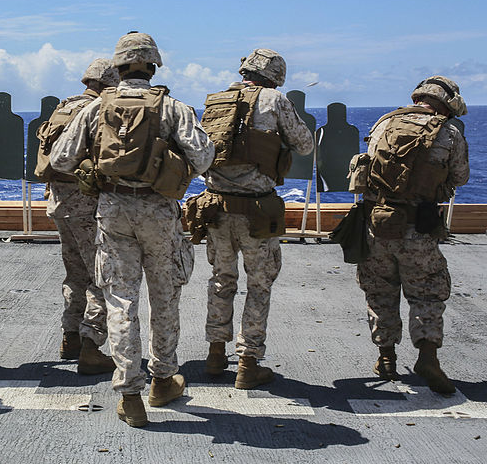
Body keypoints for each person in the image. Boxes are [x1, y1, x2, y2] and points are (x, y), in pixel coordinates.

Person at [51, 32, 214, 427]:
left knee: (121, 301)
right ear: (153, 65)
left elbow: (60, 159)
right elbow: (205, 157)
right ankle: (162, 379)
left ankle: (129, 395)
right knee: (164, 296)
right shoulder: (172, 107)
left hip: (113, 209)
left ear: (119, 67)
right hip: (159, 210)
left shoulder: (95, 109)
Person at [191, 49, 313, 389]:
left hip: (216, 208)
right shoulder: (275, 100)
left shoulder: (217, 101)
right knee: (258, 285)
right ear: (275, 76)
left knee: (221, 279)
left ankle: (216, 354)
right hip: (257, 212)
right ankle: (247, 362)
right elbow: (304, 145)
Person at [357, 75, 469, 394]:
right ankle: (428, 356)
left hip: (377, 223)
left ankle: (386, 358)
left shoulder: (383, 124)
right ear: (447, 103)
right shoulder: (448, 132)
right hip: (419, 226)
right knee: (427, 292)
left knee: (380, 292)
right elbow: (461, 177)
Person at [35, 58, 118, 375]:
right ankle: (91, 346)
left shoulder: (64, 106)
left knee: (75, 274)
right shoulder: (98, 110)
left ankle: (70, 336)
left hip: (59, 203)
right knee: (100, 276)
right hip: (86, 207)